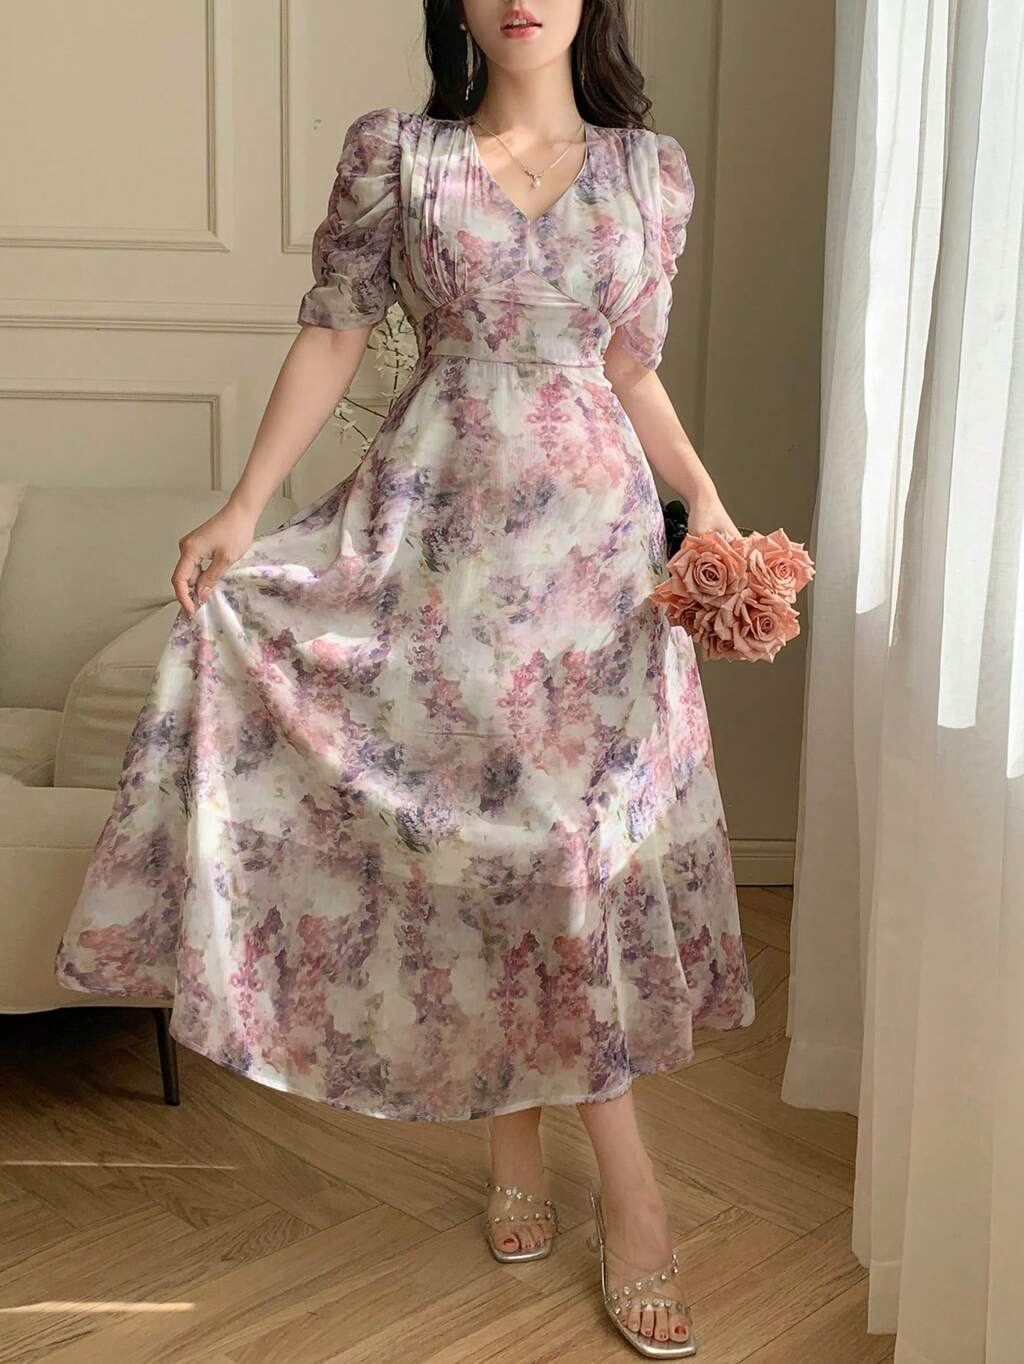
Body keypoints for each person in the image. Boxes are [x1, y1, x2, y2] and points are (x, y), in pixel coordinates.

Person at [54, 0, 756, 1353]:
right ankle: (564, 1166)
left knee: (565, 854)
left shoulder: (649, 173)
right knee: (486, 850)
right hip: (433, 546)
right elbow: (333, 331)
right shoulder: (400, 156)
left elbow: (630, 367)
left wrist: (709, 507)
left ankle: (599, 1179)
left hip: (595, 569)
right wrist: (245, 507)